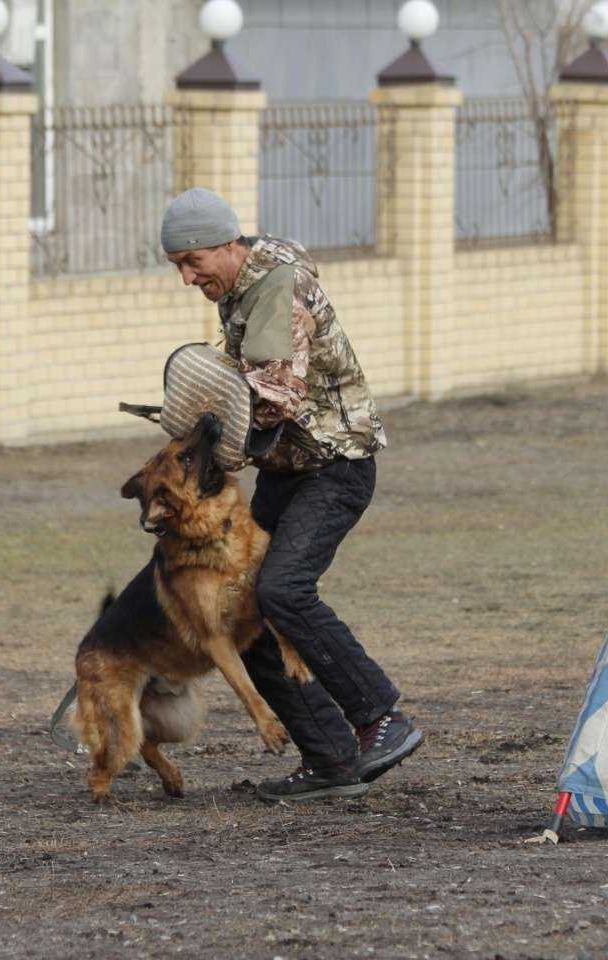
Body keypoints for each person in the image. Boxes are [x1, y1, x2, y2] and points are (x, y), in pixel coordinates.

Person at [160, 186, 422, 802]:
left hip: (334, 466)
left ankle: (382, 717)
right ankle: (331, 757)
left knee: (282, 588)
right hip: (290, 470)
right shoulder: (249, 281)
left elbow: (275, 396)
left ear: (227, 245)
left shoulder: (276, 286)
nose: (186, 277)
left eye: (192, 262)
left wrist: (203, 433)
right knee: (243, 607)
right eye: (177, 265)